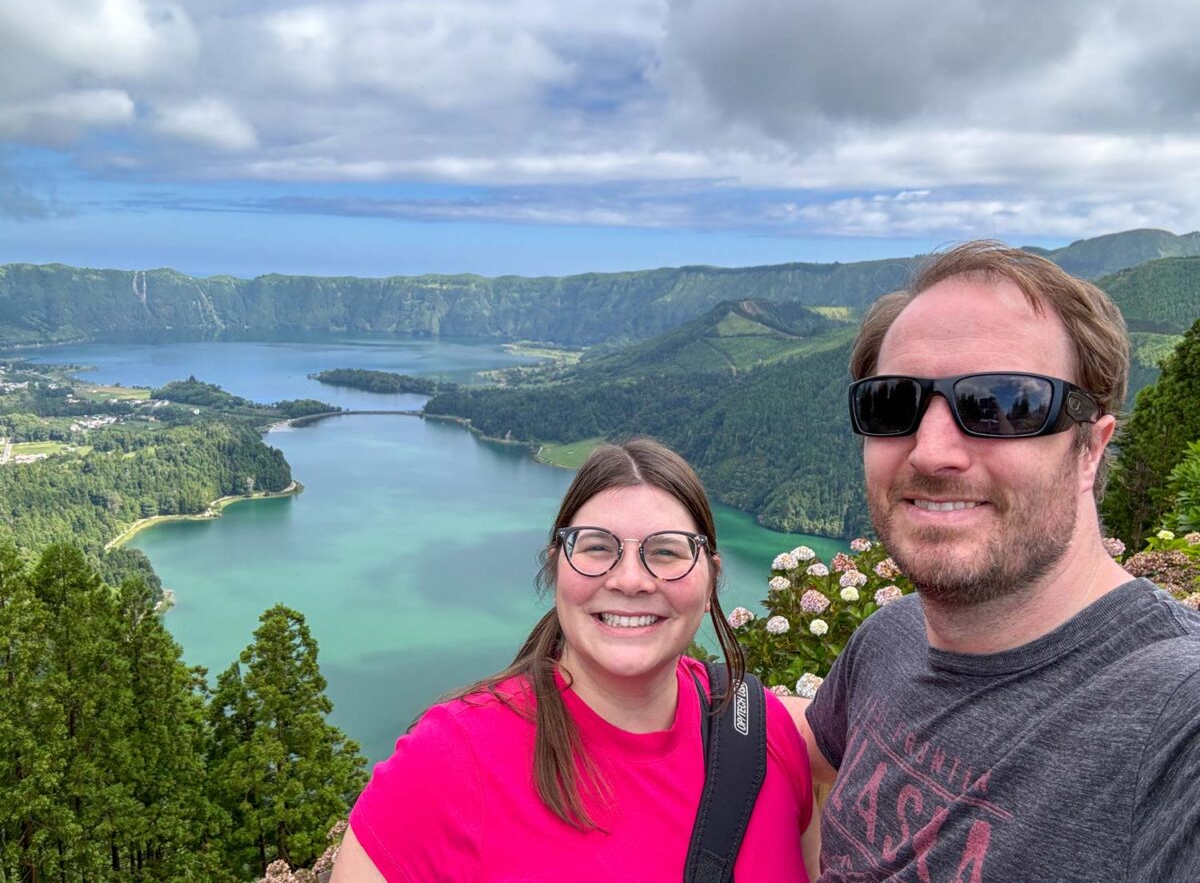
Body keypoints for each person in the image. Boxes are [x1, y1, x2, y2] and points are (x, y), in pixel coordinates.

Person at [786, 241, 1200, 881]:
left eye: (1002, 405)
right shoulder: (888, 639)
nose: (930, 452)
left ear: (1090, 446)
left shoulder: (1175, 720)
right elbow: (801, 767)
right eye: (892, 403)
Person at [333, 438, 817, 881]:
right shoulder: (449, 760)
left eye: (667, 552)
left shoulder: (762, 734)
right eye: (597, 548)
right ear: (556, 565)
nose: (630, 580)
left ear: (710, 575)